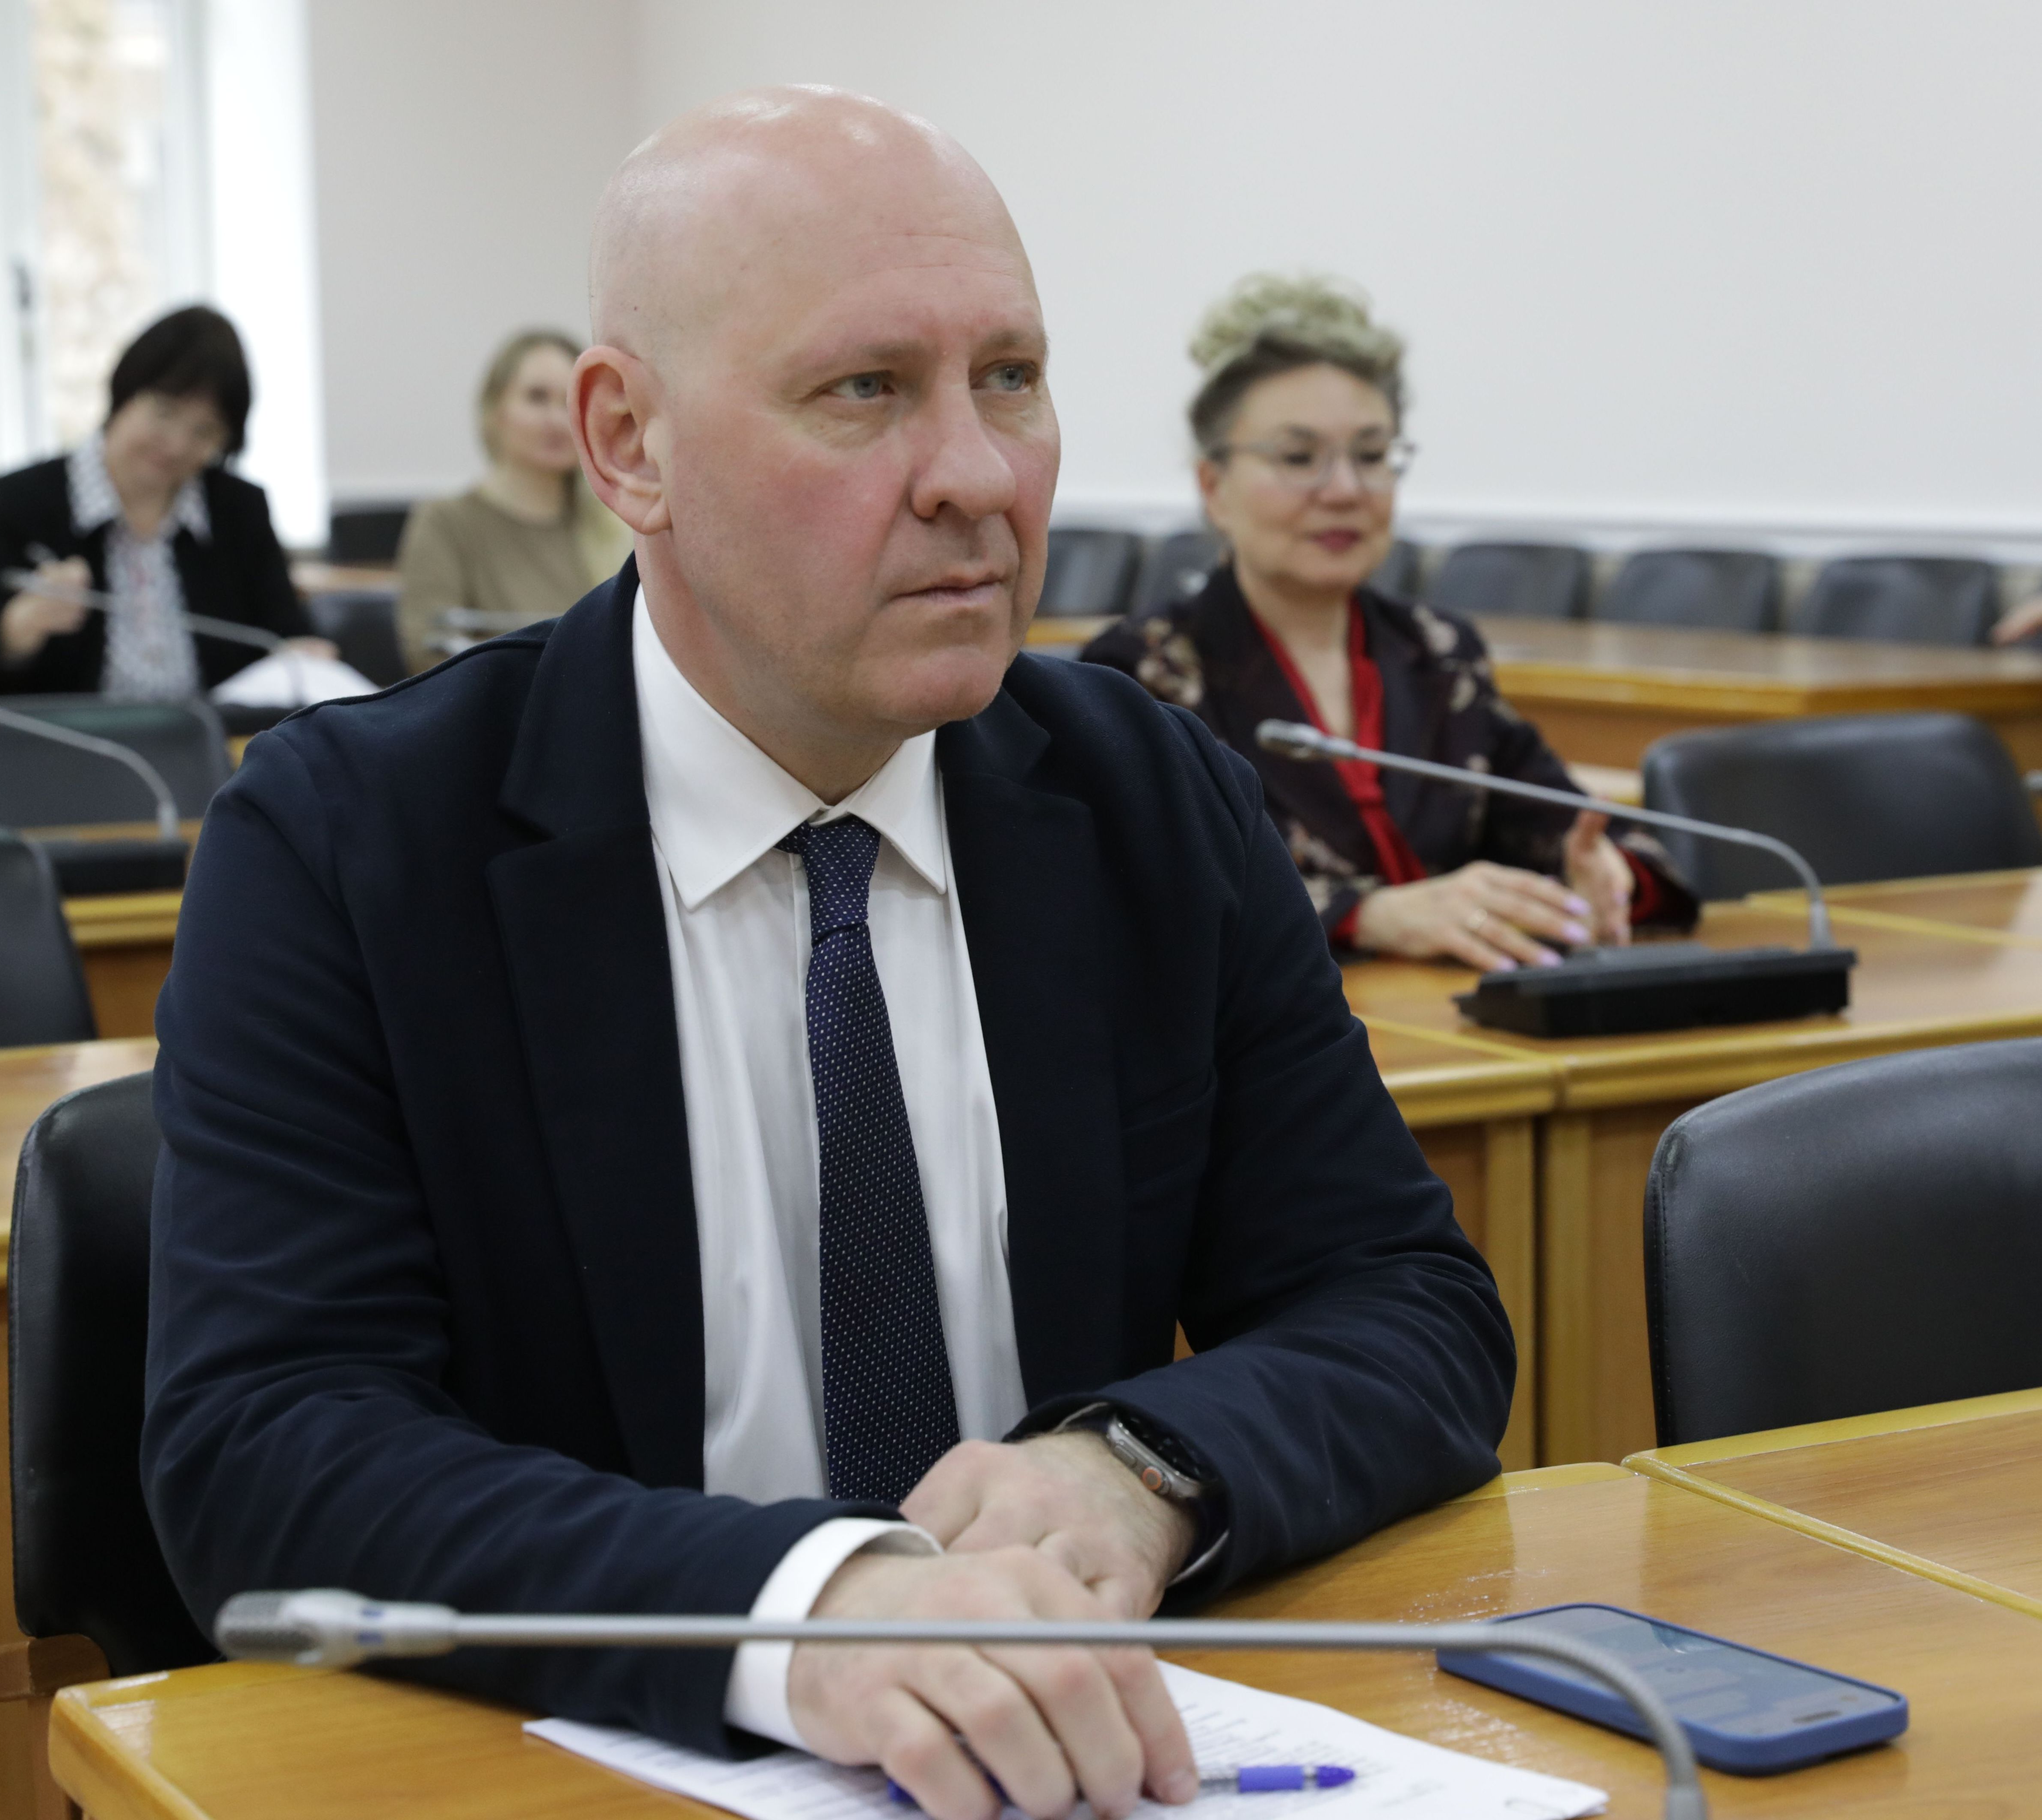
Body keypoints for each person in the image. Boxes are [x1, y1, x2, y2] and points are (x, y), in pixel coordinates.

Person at [143, 91, 1513, 1820]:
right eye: (863, 389)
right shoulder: (351, 841)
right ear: (628, 444)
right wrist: (803, 1606)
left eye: (1009, 377)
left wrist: (1139, 1465)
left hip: (1081, 1761)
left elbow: (1405, 1303)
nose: (976, 474)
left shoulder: (1148, 797)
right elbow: (266, 1445)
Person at [1083, 276, 1694, 972]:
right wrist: (1368, 917)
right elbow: (1140, 895)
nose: (1345, 490)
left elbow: (1584, 830)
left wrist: (1606, 877)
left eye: (1372, 456)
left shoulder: (1438, 654)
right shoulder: (1139, 674)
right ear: (1213, 487)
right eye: (1298, 458)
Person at [0, 305, 333, 699]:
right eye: (165, 413)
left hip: (218, 737)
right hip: (72, 738)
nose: (177, 445)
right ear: (124, 394)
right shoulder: (24, 502)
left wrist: (304, 656)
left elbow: (288, 634)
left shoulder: (237, 509)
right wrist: (17, 629)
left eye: (205, 432)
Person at [394, 328, 633, 671]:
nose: (557, 420)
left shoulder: (615, 526)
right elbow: (427, 655)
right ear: (496, 411)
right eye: (537, 398)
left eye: (570, 401)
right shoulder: (445, 522)